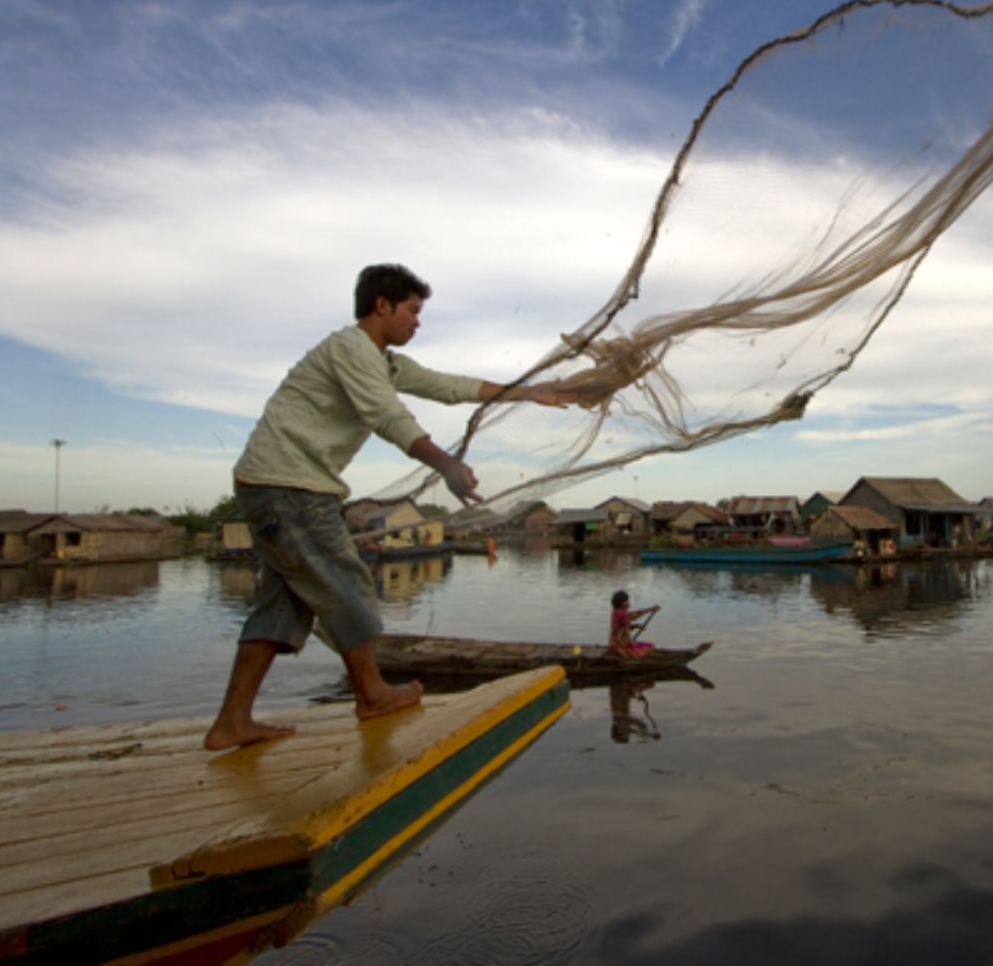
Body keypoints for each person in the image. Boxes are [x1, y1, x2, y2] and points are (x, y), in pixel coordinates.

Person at [204, 263, 573, 750]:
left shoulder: (385, 363)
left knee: (283, 604)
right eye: (413, 311)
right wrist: (446, 465)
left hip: (278, 485)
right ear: (383, 305)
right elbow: (386, 415)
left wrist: (526, 391)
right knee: (347, 583)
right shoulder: (352, 349)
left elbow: (449, 386)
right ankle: (372, 694)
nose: (417, 323)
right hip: (289, 487)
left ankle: (232, 721)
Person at [607, 589, 659, 659]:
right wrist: (650, 609)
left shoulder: (615, 612)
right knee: (650, 646)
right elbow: (634, 615)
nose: (629, 603)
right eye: (627, 601)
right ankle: (629, 654)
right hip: (621, 647)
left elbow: (623, 626)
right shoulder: (622, 614)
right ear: (621, 603)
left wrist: (637, 626)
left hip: (614, 645)